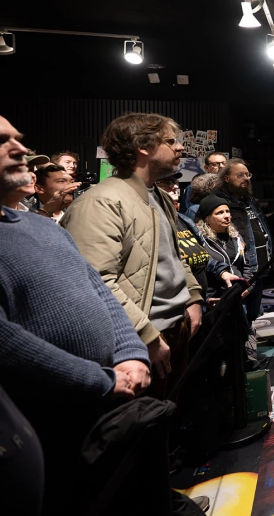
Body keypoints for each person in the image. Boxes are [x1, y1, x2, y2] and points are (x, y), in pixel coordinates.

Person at [0, 112, 151, 514]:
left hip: (107, 399)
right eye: (0, 141)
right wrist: (99, 379)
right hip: (43, 419)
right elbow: (3, 342)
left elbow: (99, 290)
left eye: (18, 138)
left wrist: (130, 351)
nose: (21, 149)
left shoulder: (43, 227)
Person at [61, 112, 204, 400]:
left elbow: (173, 254)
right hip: (142, 338)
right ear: (142, 147)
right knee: (148, 420)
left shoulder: (157, 195)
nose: (180, 147)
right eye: (171, 141)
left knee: (174, 412)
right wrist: (145, 336)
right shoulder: (100, 201)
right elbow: (95, 282)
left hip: (174, 327)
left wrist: (193, 297)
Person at [214, 158, 272, 321]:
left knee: (253, 315)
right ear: (227, 178)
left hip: (260, 267)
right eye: (240, 175)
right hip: (243, 271)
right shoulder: (222, 204)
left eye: (248, 175)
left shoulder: (249, 200)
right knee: (241, 317)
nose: (246, 178)